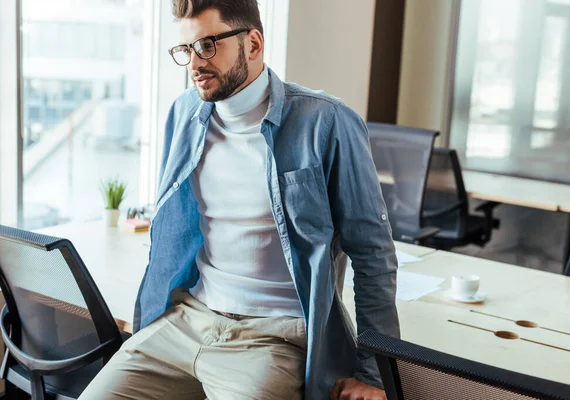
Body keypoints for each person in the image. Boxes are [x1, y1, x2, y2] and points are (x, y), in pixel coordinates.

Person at [80, 0, 399, 398]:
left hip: (273, 338)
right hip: (185, 321)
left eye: (208, 45)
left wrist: (373, 373)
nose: (195, 63)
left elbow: (373, 255)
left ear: (253, 43)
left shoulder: (326, 122)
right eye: (186, 50)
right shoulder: (183, 115)